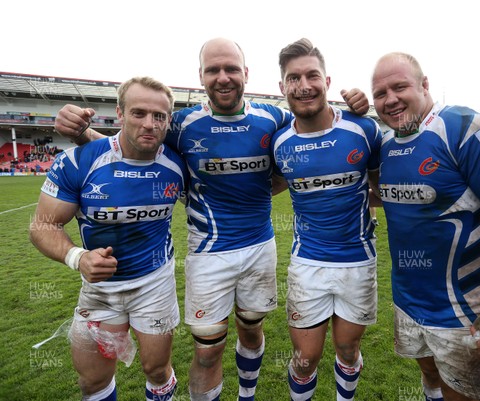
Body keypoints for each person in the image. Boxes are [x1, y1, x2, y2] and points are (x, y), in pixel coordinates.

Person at [53, 37, 369, 401]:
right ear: (200, 76)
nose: (223, 77)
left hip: (259, 248)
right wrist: (81, 132)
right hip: (208, 255)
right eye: (213, 70)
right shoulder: (182, 124)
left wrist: (357, 105)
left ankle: (246, 395)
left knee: (251, 330)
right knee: (207, 350)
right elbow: (129, 145)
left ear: (245, 74)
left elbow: (315, 130)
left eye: (231, 69)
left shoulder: (274, 117)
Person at [370, 52, 480, 401]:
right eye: (380, 93)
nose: (389, 99)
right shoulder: (387, 145)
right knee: (429, 372)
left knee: (464, 393)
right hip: (407, 300)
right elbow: (394, 196)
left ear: (425, 85)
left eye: (399, 87)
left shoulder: (469, 130)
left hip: (463, 309)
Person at [30, 76, 187, 401]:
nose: (150, 123)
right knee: (93, 381)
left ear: (168, 120)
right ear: (120, 113)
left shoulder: (178, 165)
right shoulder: (79, 161)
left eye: (159, 116)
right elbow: (42, 226)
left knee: (157, 370)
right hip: (100, 292)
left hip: (155, 285)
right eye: (139, 113)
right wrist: (78, 257)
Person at [271, 38, 381, 401]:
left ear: (328, 81)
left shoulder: (364, 130)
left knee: (347, 352)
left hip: (357, 263)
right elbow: (264, 185)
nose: (304, 85)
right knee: (304, 359)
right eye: (293, 78)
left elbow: (382, 192)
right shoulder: (279, 142)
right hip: (308, 264)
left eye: (312, 75)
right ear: (283, 86)